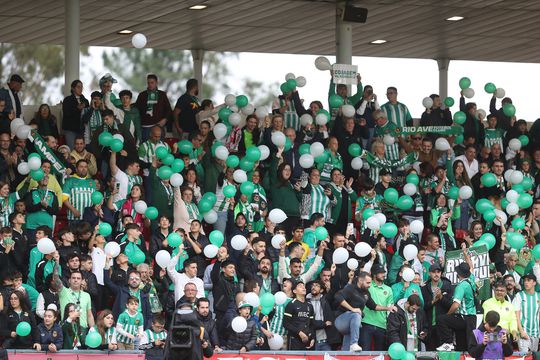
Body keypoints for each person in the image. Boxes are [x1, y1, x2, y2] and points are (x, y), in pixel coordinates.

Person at [334, 271, 397, 352]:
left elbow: (374, 306)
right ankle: (354, 343)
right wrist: (352, 309)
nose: (369, 285)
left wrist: (388, 308)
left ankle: (348, 349)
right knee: (356, 314)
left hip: (351, 326)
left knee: (346, 351)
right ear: (360, 280)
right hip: (341, 321)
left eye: (370, 283)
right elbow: (337, 296)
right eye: (367, 283)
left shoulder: (366, 293)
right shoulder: (350, 288)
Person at [437, 256, 476, 352]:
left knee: (442, 319)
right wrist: (465, 254)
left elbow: (456, 305)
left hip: (464, 317)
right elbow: (471, 266)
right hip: (471, 319)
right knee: (462, 346)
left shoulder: (461, 286)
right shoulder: (471, 280)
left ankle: (448, 343)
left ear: (458, 274)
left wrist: (448, 315)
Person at [360, 264, 394, 351]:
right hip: (366, 322)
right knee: (365, 351)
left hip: (382, 325)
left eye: (384, 272)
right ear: (374, 274)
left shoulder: (388, 289)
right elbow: (363, 274)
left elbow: (390, 307)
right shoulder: (368, 285)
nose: (383, 275)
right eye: (380, 273)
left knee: (380, 353)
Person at [421, 263, 454, 350]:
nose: (436, 274)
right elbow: (422, 307)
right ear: (429, 273)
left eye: (438, 272)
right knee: (430, 354)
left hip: (443, 327)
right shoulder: (424, 288)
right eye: (433, 272)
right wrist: (433, 301)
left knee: (444, 355)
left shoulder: (448, 287)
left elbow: (452, 306)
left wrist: (441, 297)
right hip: (430, 327)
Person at [135, 74, 172, 142]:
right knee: (146, 147)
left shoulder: (162, 94)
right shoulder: (142, 95)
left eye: (152, 82)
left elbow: (168, 110)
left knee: (159, 147)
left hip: (158, 126)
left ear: (156, 83)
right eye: (148, 83)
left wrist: (165, 119)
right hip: (145, 127)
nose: (150, 84)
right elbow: (136, 109)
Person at [283, 281, 315, 350]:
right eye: (300, 286)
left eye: (304, 286)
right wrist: (299, 333)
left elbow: (312, 324)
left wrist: (312, 338)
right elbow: (286, 323)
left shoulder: (310, 305)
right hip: (294, 340)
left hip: (307, 341)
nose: (303, 288)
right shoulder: (291, 304)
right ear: (294, 291)